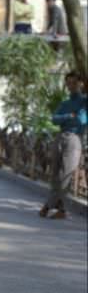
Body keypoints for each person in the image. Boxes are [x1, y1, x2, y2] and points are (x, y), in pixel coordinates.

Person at [39, 72, 87, 219]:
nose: (71, 86)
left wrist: (67, 119)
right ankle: (60, 208)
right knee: (54, 172)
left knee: (67, 173)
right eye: (68, 83)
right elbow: (54, 119)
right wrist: (68, 117)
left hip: (74, 139)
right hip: (60, 137)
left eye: (74, 83)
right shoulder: (65, 104)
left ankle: (49, 206)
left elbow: (81, 120)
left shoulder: (84, 102)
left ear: (81, 84)